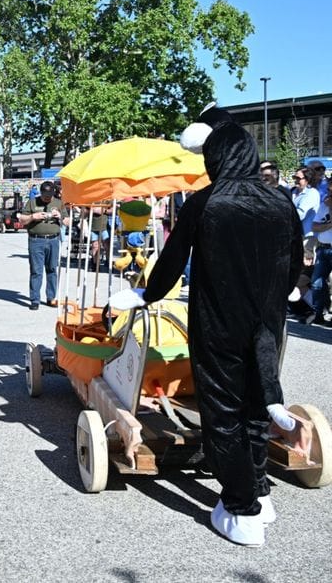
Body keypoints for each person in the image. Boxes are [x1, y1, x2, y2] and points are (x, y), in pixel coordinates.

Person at [142, 107, 306, 547]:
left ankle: (242, 509)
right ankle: (261, 491)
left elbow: (171, 262)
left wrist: (146, 296)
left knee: (225, 415)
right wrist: (278, 302)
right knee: (256, 407)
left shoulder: (206, 202)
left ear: (215, 157)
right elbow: (294, 264)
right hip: (268, 326)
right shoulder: (281, 200)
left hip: (218, 326)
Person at [19, 180, 68, 310]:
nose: (47, 198)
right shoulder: (32, 202)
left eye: (50, 196)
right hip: (36, 240)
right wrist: (33, 217)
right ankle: (35, 299)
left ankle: (51, 298)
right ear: (41, 192)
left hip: (53, 240)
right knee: (36, 271)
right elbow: (22, 220)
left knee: (52, 269)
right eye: (45, 196)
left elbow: (68, 221)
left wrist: (60, 217)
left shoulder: (58, 203)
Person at [306, 191, 332, 325]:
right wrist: (327, 225)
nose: (329, 195)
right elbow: (315, 226)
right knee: (317, 283)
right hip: (323, 248)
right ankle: (318, 313)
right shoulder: (324, 205)